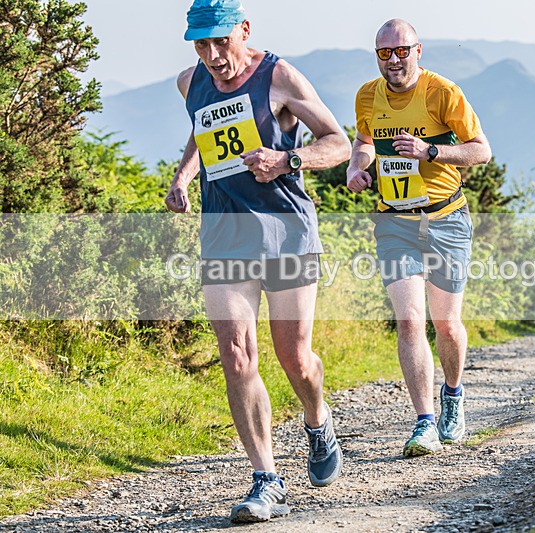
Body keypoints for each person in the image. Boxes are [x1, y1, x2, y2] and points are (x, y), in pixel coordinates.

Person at [164, 0, 351, 523]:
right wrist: (183, 177)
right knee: (237, 354)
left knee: (295, 357)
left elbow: (338, 143)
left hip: (287, 232)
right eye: (201, 44)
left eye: (221, 41)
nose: (212, 55)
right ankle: (266, 479)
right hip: (225, 233)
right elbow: (202, 132)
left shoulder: (279, 77)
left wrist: (287, 159)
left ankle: (317, 419)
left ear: (244, 30)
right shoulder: (190, 82)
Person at [346, 19, 492, 457]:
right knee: (410, 320)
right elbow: (363, 141)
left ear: (418, 50)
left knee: (446, 323)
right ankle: (424, 421)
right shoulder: (367, 95)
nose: (394, 60)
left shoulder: (442, 92)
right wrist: (357, 167)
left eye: (402, 50)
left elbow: (481, 150)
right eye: (384, 52)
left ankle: (453, 394)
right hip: (395, 222)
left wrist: (430, 151)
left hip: (446, 218)